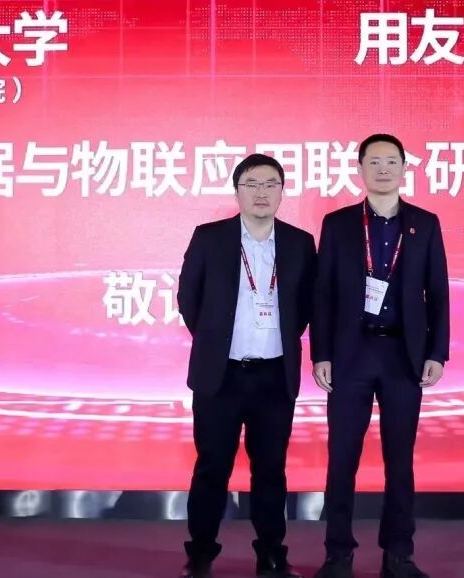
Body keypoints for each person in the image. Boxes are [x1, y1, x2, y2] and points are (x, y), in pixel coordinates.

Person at [310, 134, 450, 578]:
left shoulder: (425, 224)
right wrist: (321, 353)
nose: (383, 169)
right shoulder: (338, 224)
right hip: (351, 354)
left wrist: (437, 352)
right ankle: (338, 554)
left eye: (392, 161)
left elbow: (438, 293)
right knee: (342, 458)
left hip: (402, 356)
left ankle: (398, 555)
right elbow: (322, 293)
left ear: (405, 168)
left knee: (400, 460)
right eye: (374, 161)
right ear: (360, 169)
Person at [177, 153, 316, 578]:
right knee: (212, 467)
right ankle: (201, 553)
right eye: (252, 184)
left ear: (282, 192)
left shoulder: (299, 243)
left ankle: (271, 553)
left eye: (271, 184)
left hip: (274, 376)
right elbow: (189, 298)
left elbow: (306, 305)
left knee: (270, 469)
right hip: (220, 376)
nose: (261, 192)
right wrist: (216, 341)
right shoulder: (209, 238)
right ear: (237, 191)